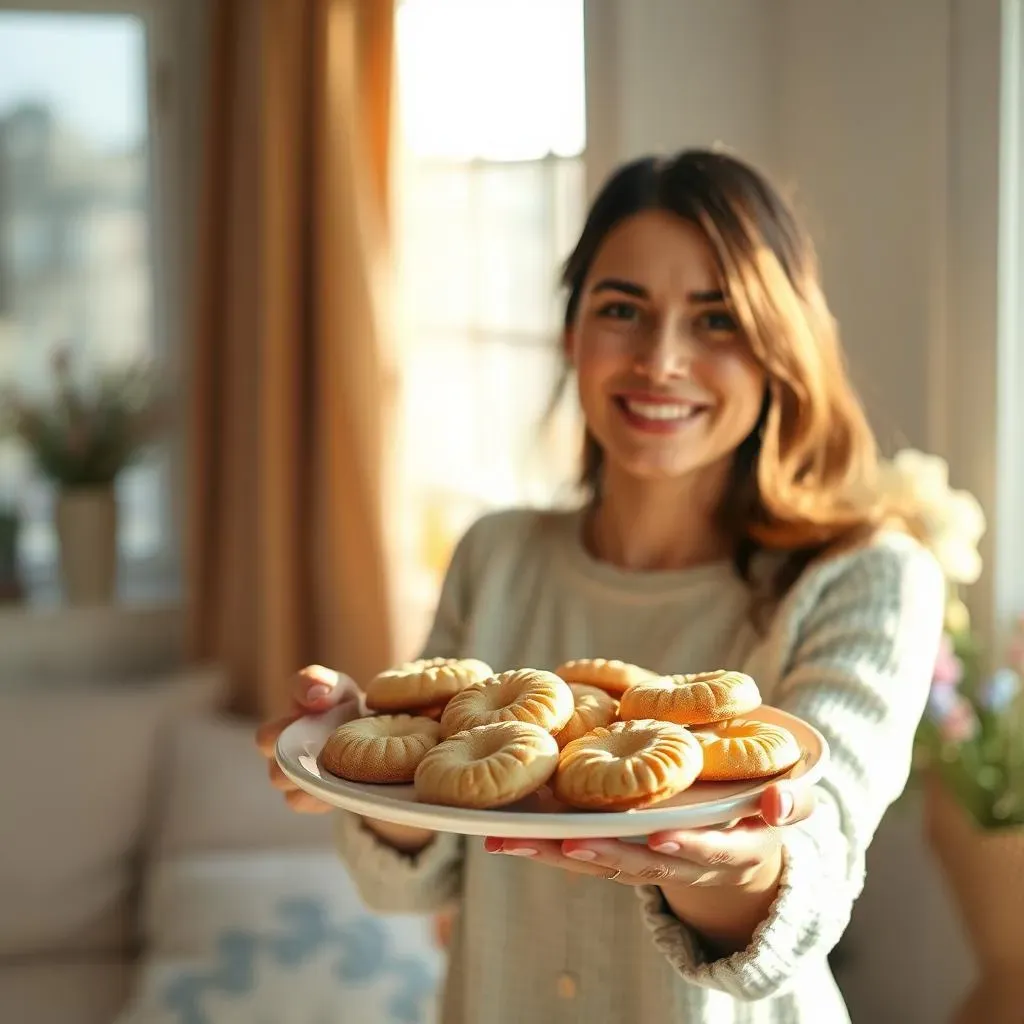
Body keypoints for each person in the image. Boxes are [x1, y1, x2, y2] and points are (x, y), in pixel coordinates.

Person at [256, 149, 944, 1023]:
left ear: (779, 348)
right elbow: (409, 888)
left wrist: (738, 867)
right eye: (623, 310)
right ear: (572, 333)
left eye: (717, 319)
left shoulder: (867, 578)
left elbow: (813, 869)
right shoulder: (496, 555)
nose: (661, 359)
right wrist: (371, 771)